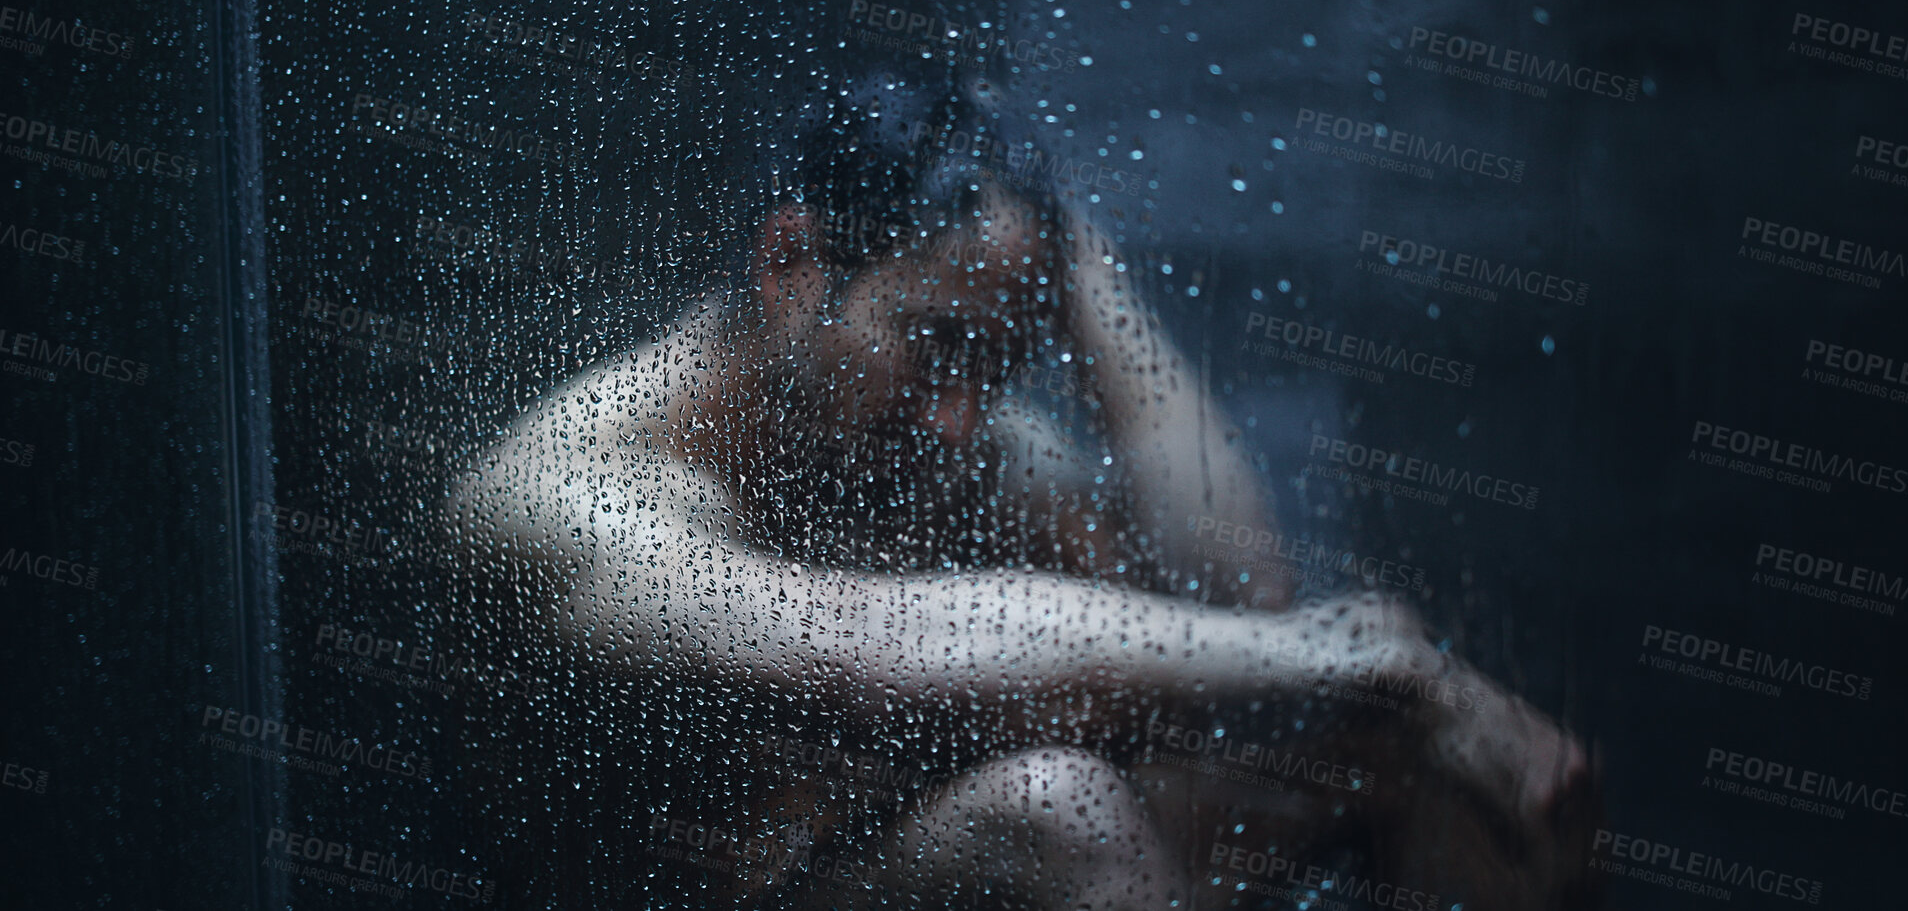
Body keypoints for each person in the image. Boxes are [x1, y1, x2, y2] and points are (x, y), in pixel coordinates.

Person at [442, 91, 1596, 909]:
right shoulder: (576, 487)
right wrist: (1389, 659)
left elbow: (1243, 592)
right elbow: (876, 643)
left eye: (997, 365)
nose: (960, 411)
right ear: (792, 263)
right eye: (934, 340)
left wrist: (1068, 252)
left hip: (885, 869)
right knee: (1054, 809)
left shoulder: (950, 440)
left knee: (1384, 750)